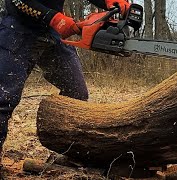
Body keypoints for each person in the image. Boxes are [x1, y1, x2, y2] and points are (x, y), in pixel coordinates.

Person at [0, 0, 130, 168]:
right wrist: (53, 18)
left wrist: (108, 1)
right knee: (3, 99)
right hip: (18, 28)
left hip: (51, 32)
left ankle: (70, 153)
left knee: (76, 93)